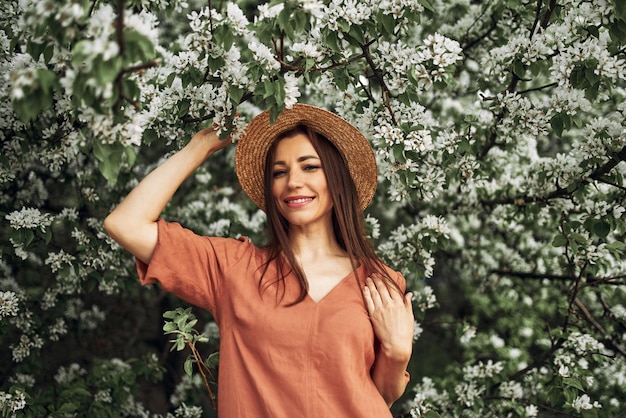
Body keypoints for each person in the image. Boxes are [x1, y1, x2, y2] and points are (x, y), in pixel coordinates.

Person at [104, 104, 415, 417]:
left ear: (336, 178)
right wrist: (200, 146)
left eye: (309, 167)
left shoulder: (379, 282)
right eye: (279, 172)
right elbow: (125, 224)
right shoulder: (233, 267)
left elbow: (378, 397)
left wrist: (398, 352)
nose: (293, 181)